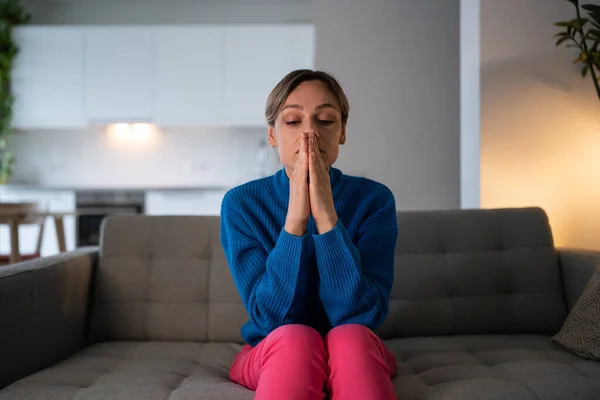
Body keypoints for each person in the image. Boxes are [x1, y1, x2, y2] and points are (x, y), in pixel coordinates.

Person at [220, 69, 398, 400]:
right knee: (295, 339)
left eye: (326, 120)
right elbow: (270, 319)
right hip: (275, 348)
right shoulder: (241, 204)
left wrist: (327, 215)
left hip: (353, 347)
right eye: (292, 121)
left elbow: (362, 316)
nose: (309, 134)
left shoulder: (375, 200)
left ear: (342, 131)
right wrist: (296, 217)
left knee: (351, 338)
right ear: (272, 134)